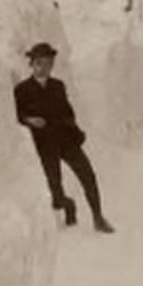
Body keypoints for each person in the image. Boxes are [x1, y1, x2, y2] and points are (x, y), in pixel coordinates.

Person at [13, 42, 115, 233]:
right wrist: (30, 121)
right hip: (44, 144)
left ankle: (98, 217)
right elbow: (16, 116)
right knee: (55, 191)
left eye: (49, 64)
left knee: (88, 175)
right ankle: (69, 205)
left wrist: (69, 126)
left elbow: (68, 111)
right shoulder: (22, 90)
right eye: (40, 63)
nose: (44, 68)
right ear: (32, 64)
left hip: (65, 140)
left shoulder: (58, 86)